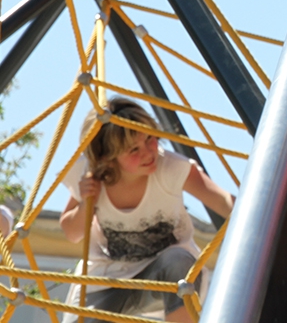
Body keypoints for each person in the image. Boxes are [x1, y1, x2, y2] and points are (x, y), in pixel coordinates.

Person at [60, 99, 235, 323]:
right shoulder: (91, 175)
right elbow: (72, 233)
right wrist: (86, 203)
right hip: (106, 279)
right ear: (108, 159)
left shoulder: (170, 168)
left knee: (178, 261)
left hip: (166, 273)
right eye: (134, 149)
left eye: (150, 138)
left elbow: (222, 202)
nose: (148, 152)